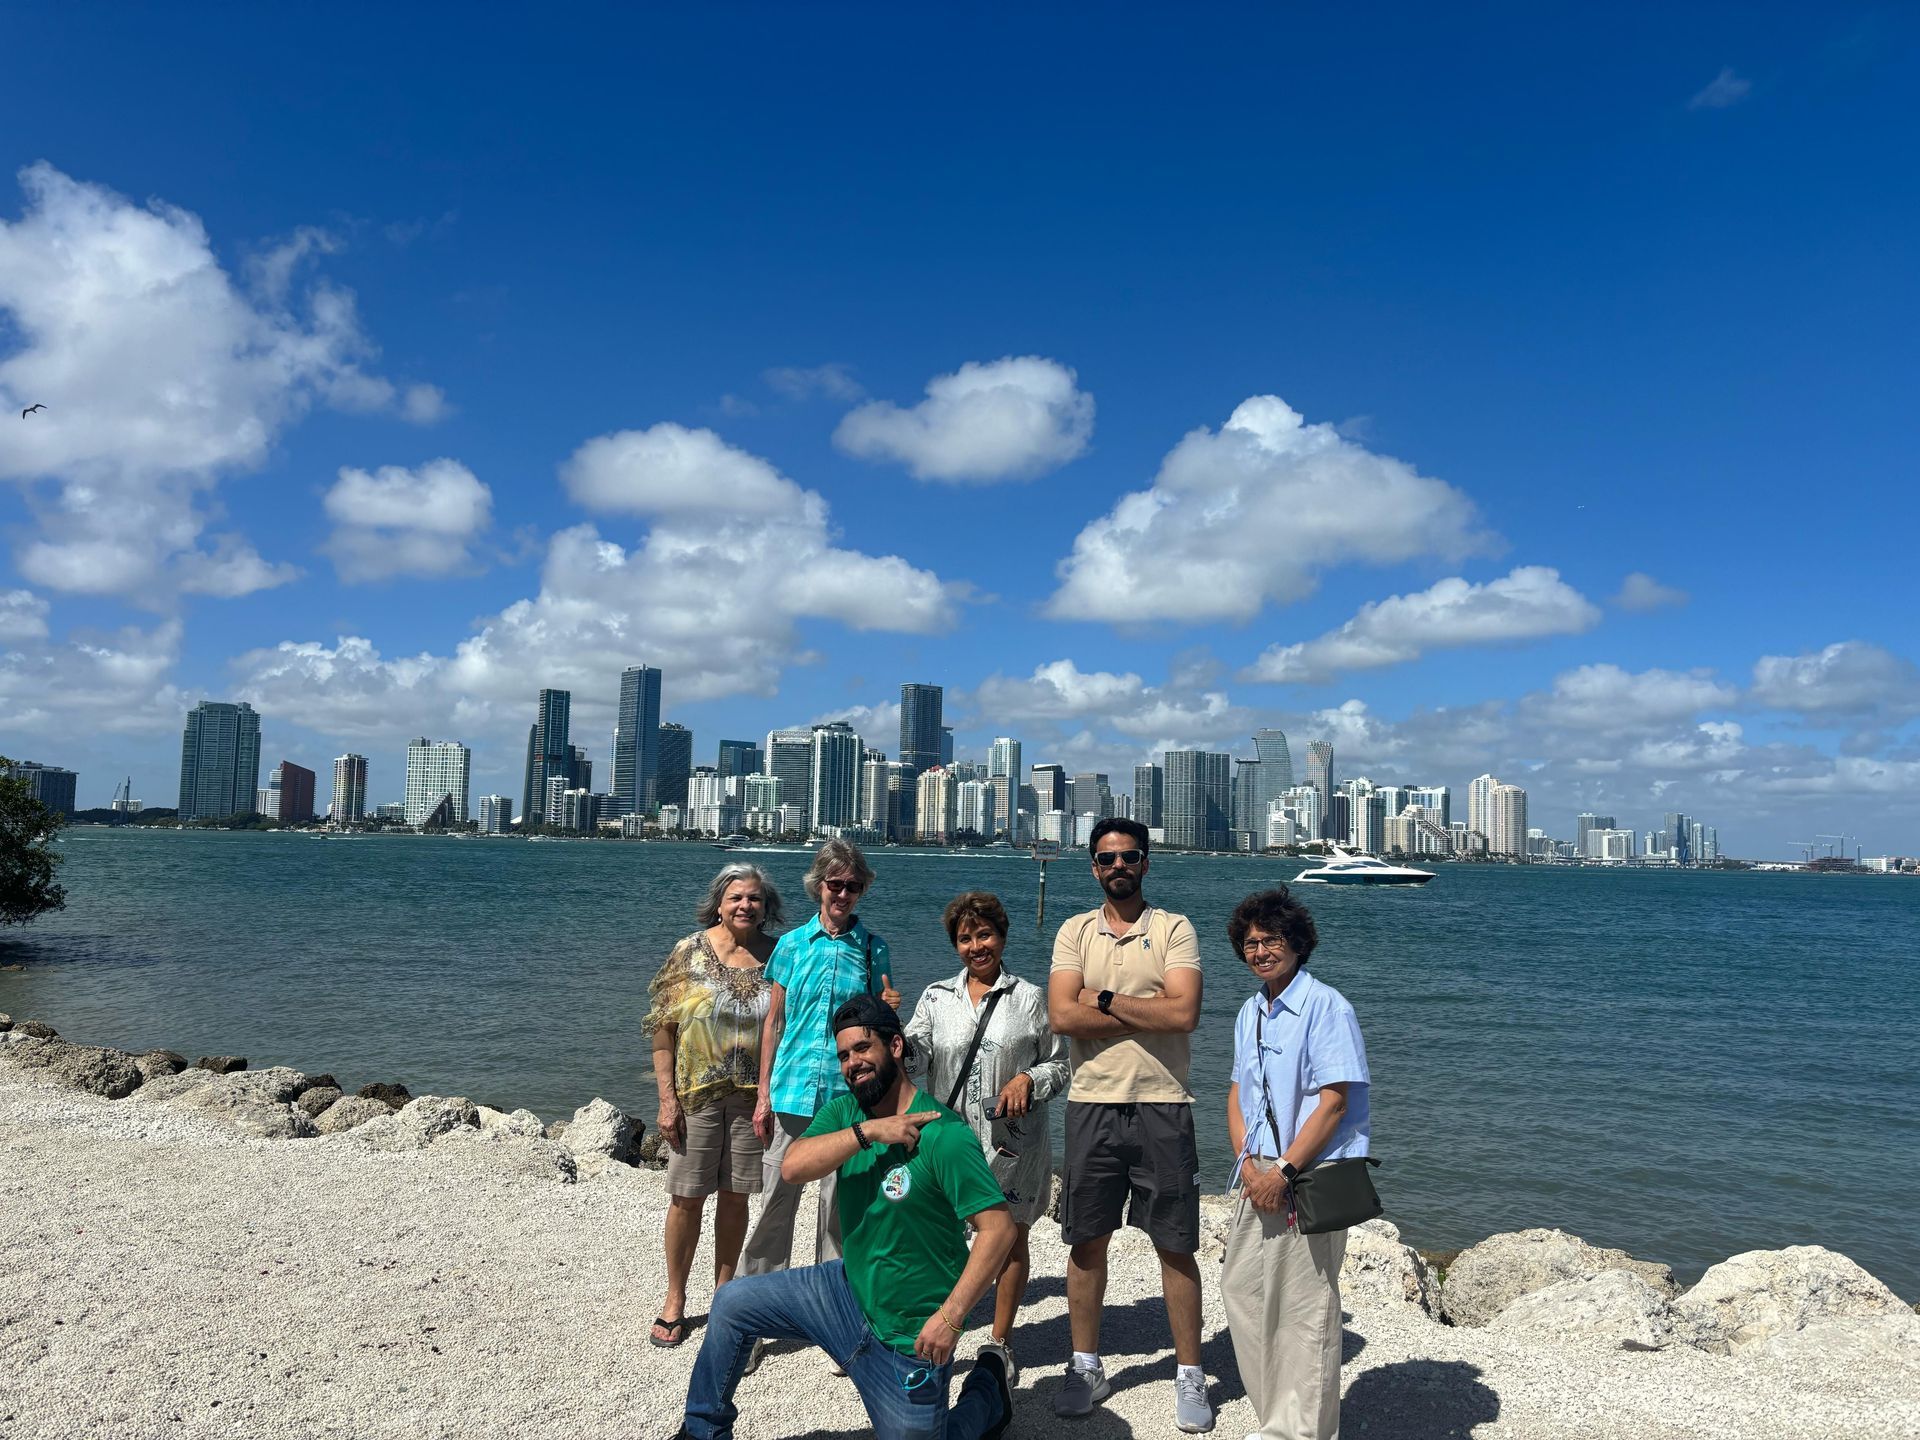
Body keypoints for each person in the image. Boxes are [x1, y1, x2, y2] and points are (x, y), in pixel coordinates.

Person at [672, 994, 1016, 1440]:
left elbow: (999, 1230)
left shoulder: (944, 1136)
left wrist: (950, 1319)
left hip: (907, 1337)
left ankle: (989, 1388)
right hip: (844, 1292)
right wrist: (869, 1131)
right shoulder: (845, 1112)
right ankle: (701, 1431)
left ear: (895, 1047)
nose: (852, 1063)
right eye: (844, 1055)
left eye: (862, 1048)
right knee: (733, 1303)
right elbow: (793, 1166)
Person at [1047, 817, 1213, 1432]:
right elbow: (1062, 1016)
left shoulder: (1173, 928)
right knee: (1086, 1242)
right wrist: (1151, 1012)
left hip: (1164, 1103)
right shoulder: (1074, 931)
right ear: (1093, 867)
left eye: (1129, 856)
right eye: (1107, 858)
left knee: (1175, 1242)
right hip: (1091, 1101)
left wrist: (1107, 1000)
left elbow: (1186, 1013)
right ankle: (1086, 1365)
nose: (1118, 866)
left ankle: (1191, 1374)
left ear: (1145, 863)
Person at [737, 839, 901, 1369]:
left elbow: (882, 1030)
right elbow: (774, 1024)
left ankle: (837, 1319)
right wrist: (762, 1095)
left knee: (841, 1212)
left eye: (853, 886)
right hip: (790, 1093)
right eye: (835, 884)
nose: (844, 894)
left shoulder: (874, 948)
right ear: (818, 886)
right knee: (773, 1208)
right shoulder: (790, 946)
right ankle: (752, 1319)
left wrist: (891, 1008)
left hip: (847, 1098)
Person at [1221, 886, 1369, 1440]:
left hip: (1306, 1174)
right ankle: (1274, 1417)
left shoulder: (1326, 1006)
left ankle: (1301, 1432)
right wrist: (1249, 1165)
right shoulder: (1251, 1010)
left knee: (1305, 1308)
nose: (1260, 951)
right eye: (1251, 942)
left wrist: (1280, 1171)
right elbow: (1237, 1093)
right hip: (1256, 1170)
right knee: (1244, 1290)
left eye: (1272, 940)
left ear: (1299, 943)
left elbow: (1335, 1102)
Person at [904, 891, 1068, 1377]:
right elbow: (914, 1063)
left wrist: (1028, 1080)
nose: (977, 946)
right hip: (949, 1142)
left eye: (985, 934)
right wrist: (893, 1031)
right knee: (938, 1238)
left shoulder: (1031, 999)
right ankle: (936, 1328)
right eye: (965, 938)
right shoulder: (935, 997)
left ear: (1002, 936)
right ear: (954, 944)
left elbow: (1061, 1066)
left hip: (1014, 1147)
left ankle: (999, 1342)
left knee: (1010, 1240)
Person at [641, 864, 781, 1347]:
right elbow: (663, 1029)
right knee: (686, 1197)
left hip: (753, 1101)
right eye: (737, 897)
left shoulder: (779, 957)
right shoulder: (689, 951)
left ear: (767, 907)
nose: (746, 905)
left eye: (755, 899)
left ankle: (725, 1297)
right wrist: (666, 1101)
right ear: (719, 903)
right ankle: (675, 1298)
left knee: (736, 1196)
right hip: (695, 1096)